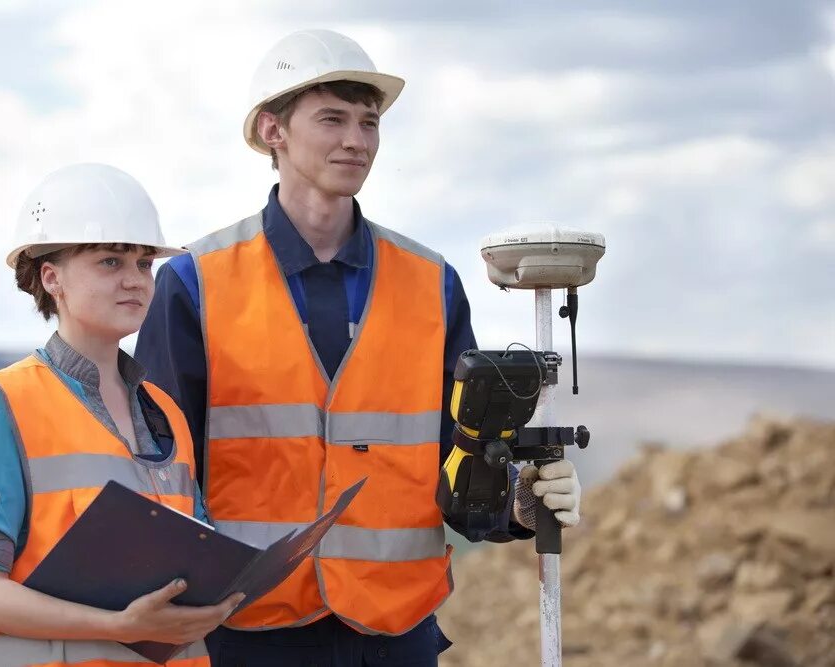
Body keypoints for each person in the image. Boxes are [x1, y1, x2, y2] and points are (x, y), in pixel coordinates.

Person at [135, 30, 582, 666]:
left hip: (394, 634)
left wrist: (520, 504)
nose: (357, 140)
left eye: (370, 123)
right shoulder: (195, 283)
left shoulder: (432, 284)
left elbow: (462, 460)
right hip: (245, 633)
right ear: (273, 130)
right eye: (333, 119)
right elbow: (159, 472)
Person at [0, 163, 244, 667]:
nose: (135, 281)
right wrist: (118, 627)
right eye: (110, 262)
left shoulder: (165, 412)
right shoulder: (5, 405)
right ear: (51, 277)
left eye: (144, 264)